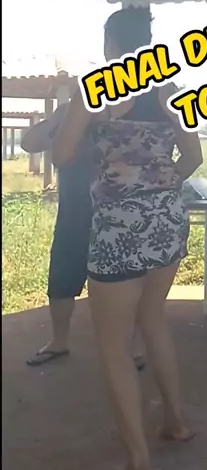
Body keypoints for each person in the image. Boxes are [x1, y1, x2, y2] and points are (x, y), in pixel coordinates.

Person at [51, 6, 203, 470]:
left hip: (118, 227)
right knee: (154, 319)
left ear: (111, 43)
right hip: (167, 221)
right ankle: (176, 421)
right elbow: (194, 157)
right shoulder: (171, 92)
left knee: (114, 346)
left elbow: (62, 154)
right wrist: (159, 188)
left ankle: (139, 465)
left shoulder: (96, 89)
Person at [21, 106, 145, 371]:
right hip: (74, 215)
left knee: (123, 284)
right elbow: (29, 143)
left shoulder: (124, 114)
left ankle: (128, 347)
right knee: (61, 279)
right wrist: (59, 118)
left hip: (117, 216)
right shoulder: (70, 116)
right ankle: (59, 341)